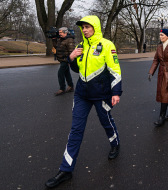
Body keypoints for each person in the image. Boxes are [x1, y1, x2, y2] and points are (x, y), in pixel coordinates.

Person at [45, 15, 122, 188]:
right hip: (82, 94)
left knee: (106, 122)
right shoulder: (80, 46)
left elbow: (115, 69)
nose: (85, 29)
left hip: (101, 95)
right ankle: (66, 170)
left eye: (88, 26)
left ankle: (115, 144)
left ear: (95, 27)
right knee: (76, 130)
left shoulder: (107, 45)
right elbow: (76, 69)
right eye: (83, 27)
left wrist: (116, 92)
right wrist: (71, 58)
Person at [148, 29, 168, 127]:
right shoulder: (159, 47)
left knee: (164, 94)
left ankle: (161, 117)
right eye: (160, 35)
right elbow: (155, 60)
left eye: (162, 35)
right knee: (166, 93)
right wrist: (151, 72)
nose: (160, 36)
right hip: (161, 73)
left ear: (167, 36)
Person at [52, 27, 75, 96]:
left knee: (60, 73)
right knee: (66, 73)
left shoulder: (69, 40)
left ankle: (62, 89)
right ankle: (71, 86)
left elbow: (72, 51)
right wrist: (54, 40)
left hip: (66, 60)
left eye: (60, 32)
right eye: (59, 32)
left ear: (65, 32)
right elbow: (56, 46)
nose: (59, 34)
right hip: (62, 60)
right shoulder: (61, 39)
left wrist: (70, 61)